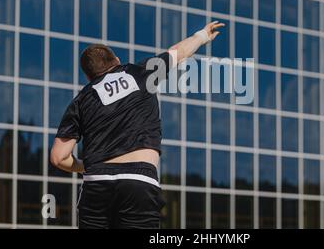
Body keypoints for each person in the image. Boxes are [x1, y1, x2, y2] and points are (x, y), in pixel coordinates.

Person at [50, 21, 225, 229]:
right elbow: (178, 53)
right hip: (138, 181)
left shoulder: (81, 99)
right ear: (116, 61)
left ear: (89, 76)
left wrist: (84, 166)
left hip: (97, 182)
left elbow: (58, 156)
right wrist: (202, 35)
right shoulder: (139, 72)